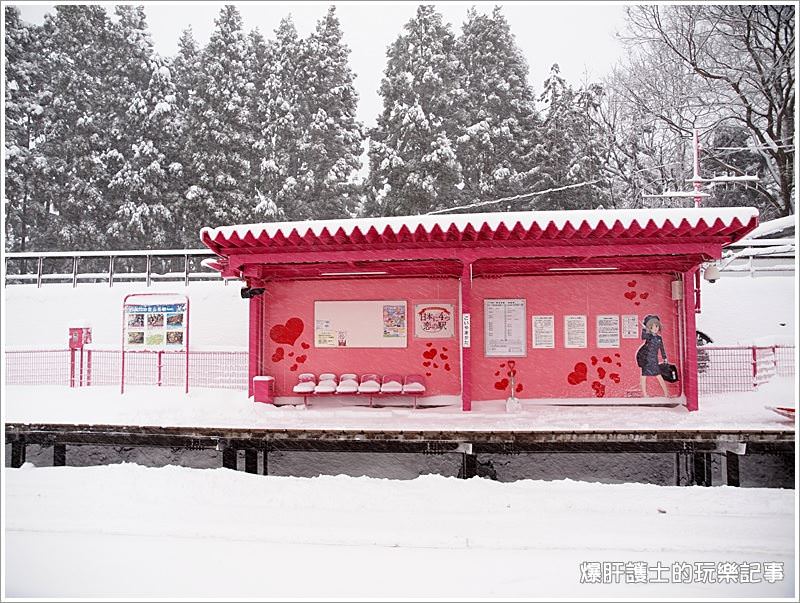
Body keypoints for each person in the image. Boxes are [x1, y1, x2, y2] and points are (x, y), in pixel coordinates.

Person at [638, 314, 670, 397]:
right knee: (644, 375)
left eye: (656, 326)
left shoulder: (659, 338)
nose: (655, 328)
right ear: (649, 328)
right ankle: (645, 394)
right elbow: (643, 336)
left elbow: (662, 348)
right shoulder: (649, 336)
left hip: (654, 359)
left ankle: (666, 394)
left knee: (658, 375)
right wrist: (645, 329)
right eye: (652, 327)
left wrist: (664, 357)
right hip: (646, 358)